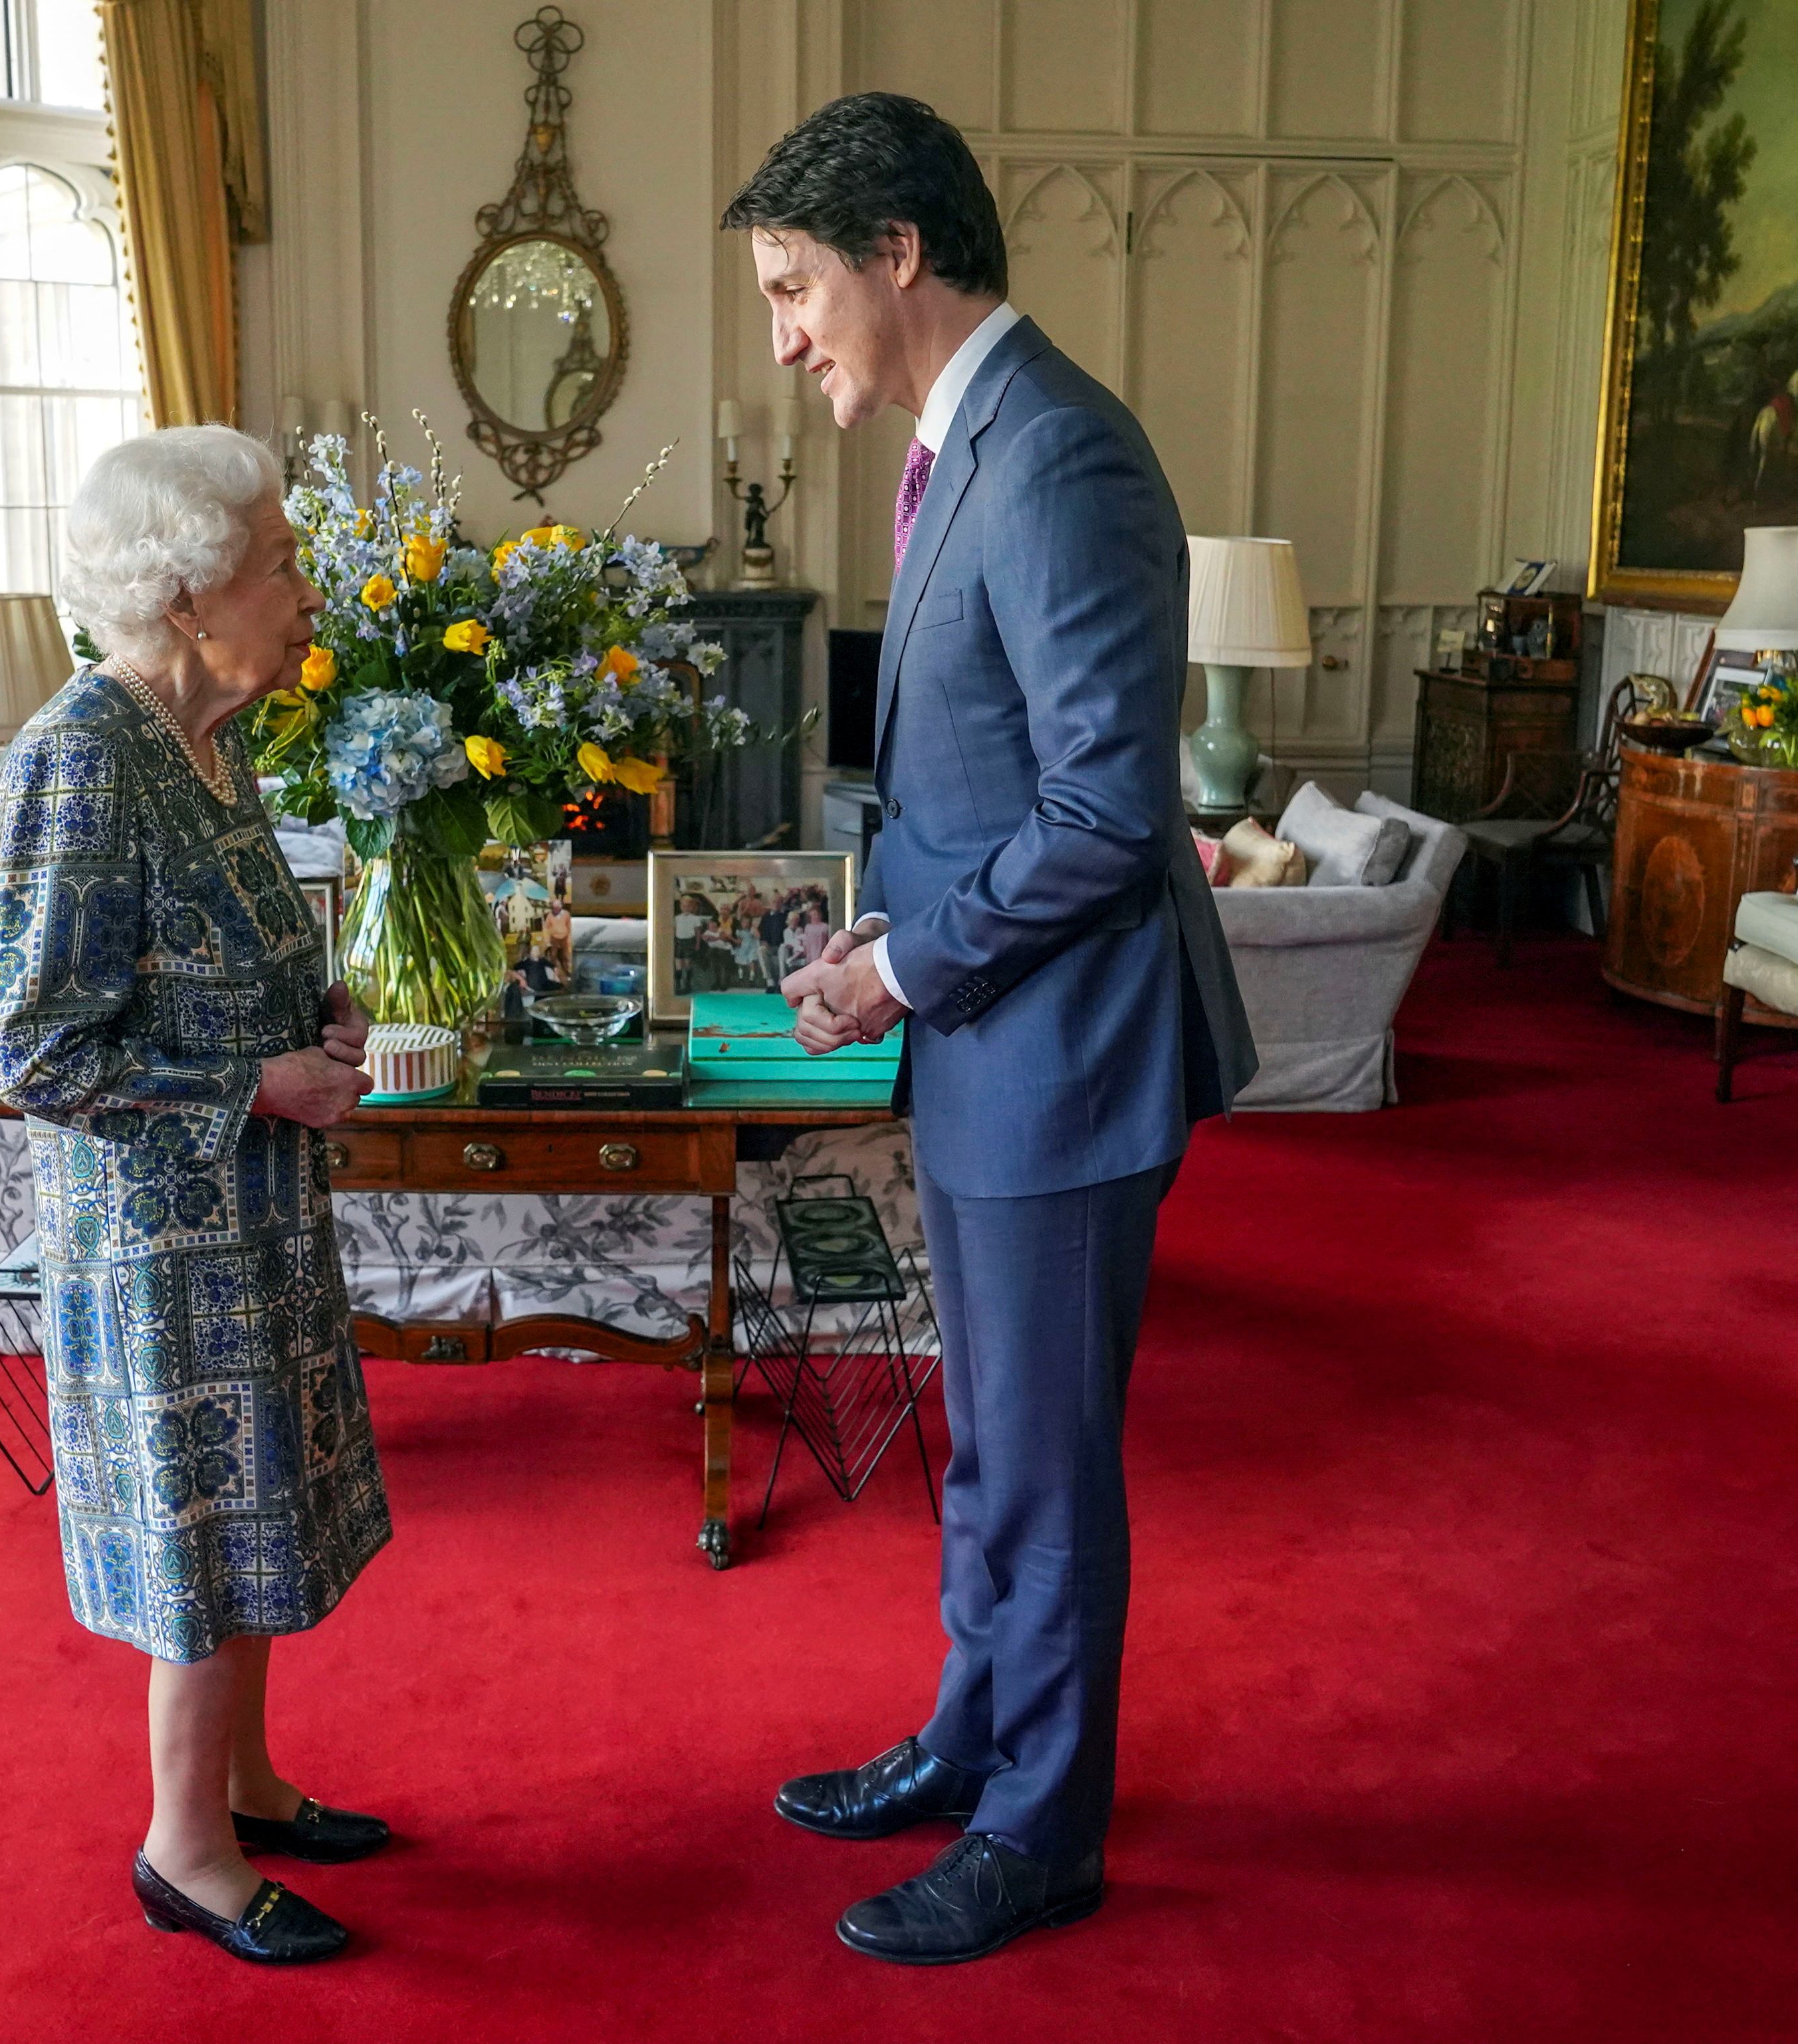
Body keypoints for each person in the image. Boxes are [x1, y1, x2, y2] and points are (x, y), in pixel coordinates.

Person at [726, 94, 1254, 1966]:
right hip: (992, 1037)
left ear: (896, 257)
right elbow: (997, 782)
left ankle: (1043, 1824)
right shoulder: (968, 445)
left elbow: (1111, 819)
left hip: (1065, 1058)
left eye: (796, 288)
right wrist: (891, 927)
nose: (782, 335)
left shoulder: (1054, 462)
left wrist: (899, 972)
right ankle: (971, 1733)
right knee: (986, 1448)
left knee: (1037, 1460)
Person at [0, 426, 393, 1969]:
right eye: (278, 560)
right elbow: (38, 1049)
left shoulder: (212, 740)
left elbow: (224, 963)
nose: (302, 585)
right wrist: (256, 1087)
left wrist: (328, 1009)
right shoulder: (83, 755)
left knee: (253, 1512)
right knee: (197, 1530)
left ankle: (250, 1785)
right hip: (160, 1241)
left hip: (250, 1219)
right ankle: (185, 1847)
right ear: (183, 598)